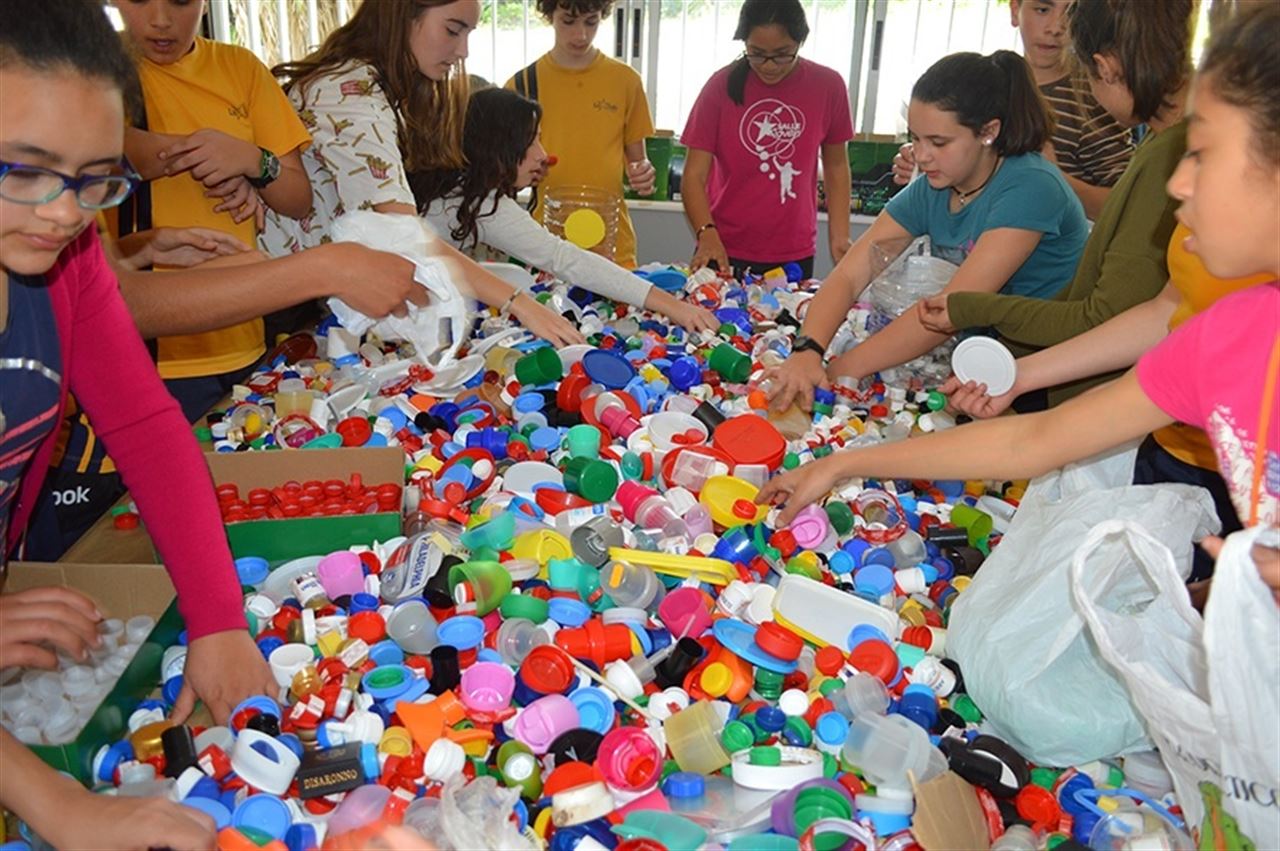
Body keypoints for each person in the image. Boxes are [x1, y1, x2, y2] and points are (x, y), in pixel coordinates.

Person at [758, 4, 1279, 595]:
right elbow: (1037, 438)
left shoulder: (1028, 186)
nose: (1178, 183)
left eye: (1203, 154)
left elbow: (980, 322)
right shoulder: (1229, 330)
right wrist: (839, 461)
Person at [0, 1, 286, 846]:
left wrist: (219, 620)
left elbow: (148, 426)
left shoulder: (69, 255)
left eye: (95, 178)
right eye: (26, 170)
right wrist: (61, 806)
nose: (63, 210)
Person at [765, 50, 1088, 413]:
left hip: (1044, 374)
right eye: (915, 139)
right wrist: (808, 350)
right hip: (977, 360)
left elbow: (949, 313)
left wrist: (839, 370)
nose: (921, 156)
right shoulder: (936, 187)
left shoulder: (1031, 187)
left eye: (938, 142)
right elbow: (850, 275)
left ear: (988, 132)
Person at [914, 0, 1196, 405]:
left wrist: (977, 310)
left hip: (1105, 398)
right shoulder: (1158, 139)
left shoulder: (1171, 155)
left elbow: (1105, 317)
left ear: (1105, 68)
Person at [261, 0, 584, 349]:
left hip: (309, 288)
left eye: (468, 34)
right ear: (403, 16)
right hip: (278, 295)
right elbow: (402, 231)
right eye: (452, 30)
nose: (462, 51)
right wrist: (518, 303)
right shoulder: (348, 92)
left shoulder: (381, 92)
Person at [112, 0, 314, 421]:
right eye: (138, 0)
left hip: (242, 334)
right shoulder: (92, 66)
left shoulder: (240, 68)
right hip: (142, 350)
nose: (161, 19)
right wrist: (213, 152)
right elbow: (114, 147)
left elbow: (297, 198)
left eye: (181, 2)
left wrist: (254, 161)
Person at [411, 88, 718, 334]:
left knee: (513, 279)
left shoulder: (459, 187)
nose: (542, 155)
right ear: (497, 147)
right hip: (397, 311)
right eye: (531, 142)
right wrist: (674, 307)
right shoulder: (478, 202)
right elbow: (563, 257)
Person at [894, 0, 1133, 219]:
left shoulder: (1099, 96)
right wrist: (924, 159)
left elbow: (1125, 207)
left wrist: (1052, 177)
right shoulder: (983, 84)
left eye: (1071, 13)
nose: (1056, 27)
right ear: (1014, 10)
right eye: (1042, 10)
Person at [681, 0, 854, 280]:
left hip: (793, 249)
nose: (769, 66)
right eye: (757, 54)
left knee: (784, 321)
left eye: (782, 54)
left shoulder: (828, 86)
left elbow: (836, 167)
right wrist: (706, 233)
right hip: (723, 246)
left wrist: (840, 236)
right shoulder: (720, 86)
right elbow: (693, 175)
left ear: (800, 41)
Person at [504, 0, 657, 269]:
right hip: (546, 245)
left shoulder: (626, 81)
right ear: (550, 15)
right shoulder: (521, 85)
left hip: (612, 247)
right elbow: (506, 174)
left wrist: (642, 173)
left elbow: (638, 161)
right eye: (568, 21)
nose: (581, 35)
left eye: (591, 21)